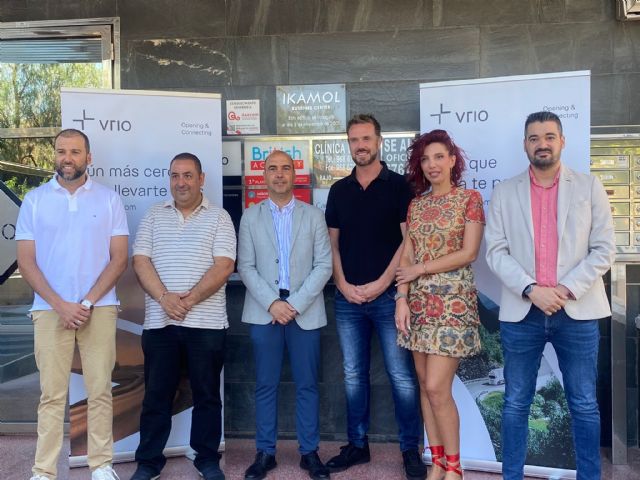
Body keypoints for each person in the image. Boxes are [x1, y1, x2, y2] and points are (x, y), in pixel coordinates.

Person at [485, 111, 615, 480]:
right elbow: (495, 251)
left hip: (577, 310)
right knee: (515, 403)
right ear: (525, 145)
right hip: (522, 313)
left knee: (584, 404)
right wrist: (531, 289)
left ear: (562, 141)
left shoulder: (589, 186)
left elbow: (604, 249)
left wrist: (564, 289)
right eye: (534, 138)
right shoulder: (505, 191)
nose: (541, 144)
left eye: (549, 136)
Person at [16, 129, 128, 480]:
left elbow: (119, 258)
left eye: (75, 151)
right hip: (50, 309)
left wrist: (87, 301)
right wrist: (61, 305)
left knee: (100, 390)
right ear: (55, 155)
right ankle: (44, 471)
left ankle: (102, 465)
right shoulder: (34, 200)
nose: (67, 158)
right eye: (61, 151)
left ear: (88, 157)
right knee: (51, 395)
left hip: (100, 307)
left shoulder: (109, 200)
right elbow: (26, 262)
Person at [324, 114, 426, 480]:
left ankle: (410, 449)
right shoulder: (339, 190)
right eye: (354, 140)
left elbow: (408, 242)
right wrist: (342, 283)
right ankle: (357, 445)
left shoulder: (400, 186)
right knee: (353, 375)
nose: (360, 145)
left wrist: (385, 284)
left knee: (401, 376)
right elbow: (332, 244)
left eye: (366, 138)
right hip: (348, 299)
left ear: (379, 141)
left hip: (389, 298)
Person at [130, 153, 236, 480]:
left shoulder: (219, 218)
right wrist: (165, 299)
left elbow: (224, 266)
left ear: (201, 179)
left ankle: (206, 459)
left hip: (206, 325)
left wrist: (188, 301)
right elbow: (140, 262)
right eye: (175, 175)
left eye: (188, 175)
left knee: (207, 396)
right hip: (160, 324)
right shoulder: (153, 216)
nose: (181, 182)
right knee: (156, 396)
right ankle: (149, 462)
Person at [237, 150, 333, 480]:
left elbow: (324, 265)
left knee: (308, 384)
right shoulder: (250, 217)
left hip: (304, 311)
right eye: (272, 169)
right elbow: (245, 266)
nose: (279, 174)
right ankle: (265, 453)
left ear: (295, 175)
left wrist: (295, 304)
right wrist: (272, 303)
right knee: (265, 384)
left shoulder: (313, 216)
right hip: (264, 311)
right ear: (264, 175)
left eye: (285, 168)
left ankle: (309, 453)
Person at [395, 130, 484, 480]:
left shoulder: (469, 199)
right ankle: (438, 463)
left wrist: (421, 269)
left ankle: (455, 469)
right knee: (423, 385)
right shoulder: (417, 205)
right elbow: (407, 253)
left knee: (436, 387)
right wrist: (401, 297)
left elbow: (469, 252)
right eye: (425, 159)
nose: (431, 164)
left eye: (438, 157)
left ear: (452, 160)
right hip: (418, 304)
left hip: (453, 304)